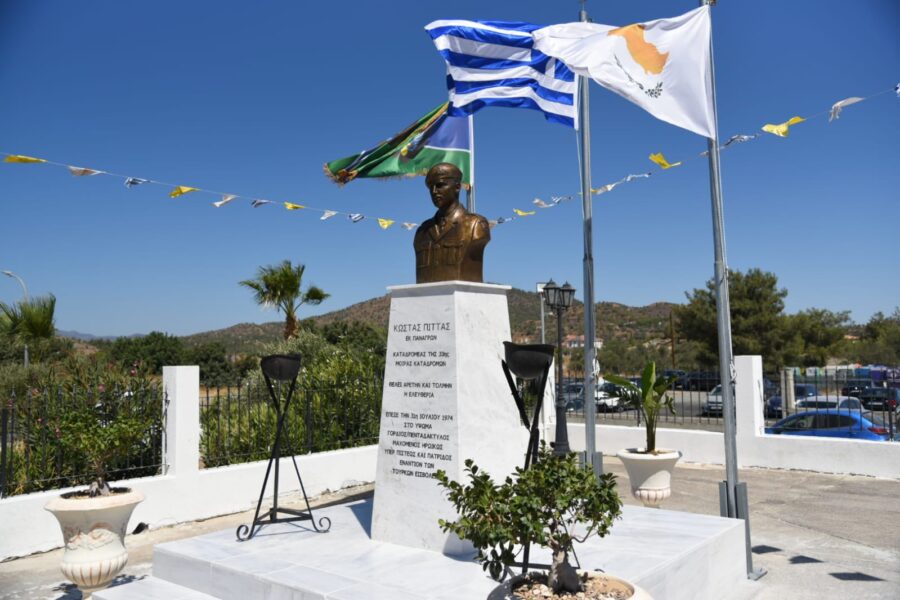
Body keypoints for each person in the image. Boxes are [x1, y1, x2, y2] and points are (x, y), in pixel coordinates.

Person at [413, 163, 490, 283]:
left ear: (457, 187)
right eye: (431, 187)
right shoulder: (422, 232)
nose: (434, 191)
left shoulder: (475, 224)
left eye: (440, 185)